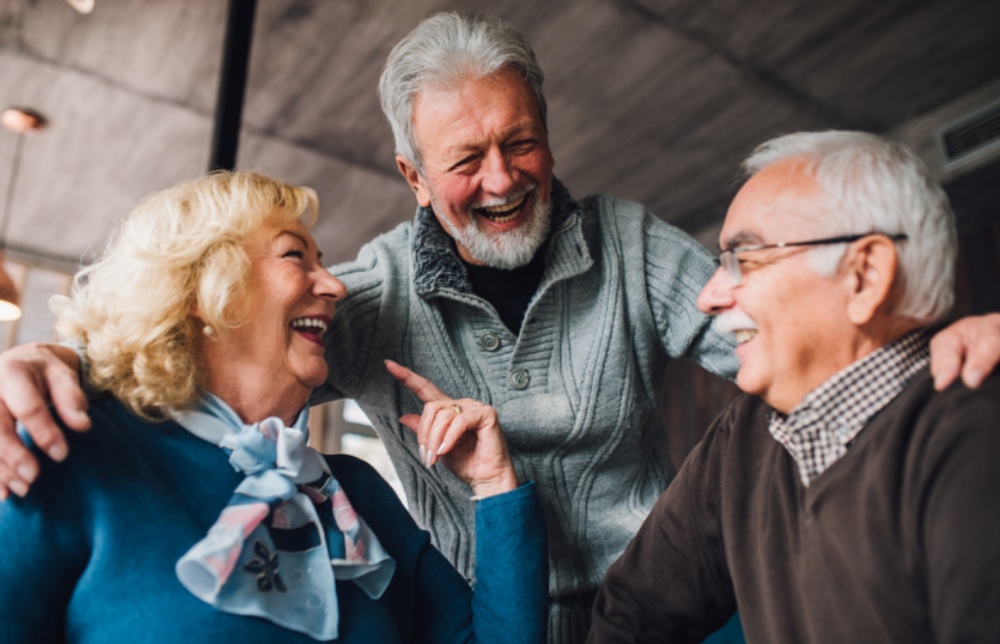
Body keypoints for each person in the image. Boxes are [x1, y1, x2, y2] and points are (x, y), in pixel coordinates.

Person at [0, 12, 999, 642]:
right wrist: (56, 362)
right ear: (412, 178)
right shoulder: (364, 296)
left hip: (656, 606)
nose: (503, 176)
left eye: (522, 142)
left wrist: (930, 334)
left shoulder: (640, 249)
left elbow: (800, 342)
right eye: (465, 156)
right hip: (487, 614)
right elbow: (202, 341)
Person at [0, 170, 547, 643]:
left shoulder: (356, 495)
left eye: (323, 263)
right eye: (295, 255)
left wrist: (495, 484)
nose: (334, 285)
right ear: (203, 291)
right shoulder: (69, 447)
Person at [587, 131, 1000, 643]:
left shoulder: (973, 435)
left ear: (865, 275)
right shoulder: (742, 440)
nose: (708, 296)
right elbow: (630, 615)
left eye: (744, 258)